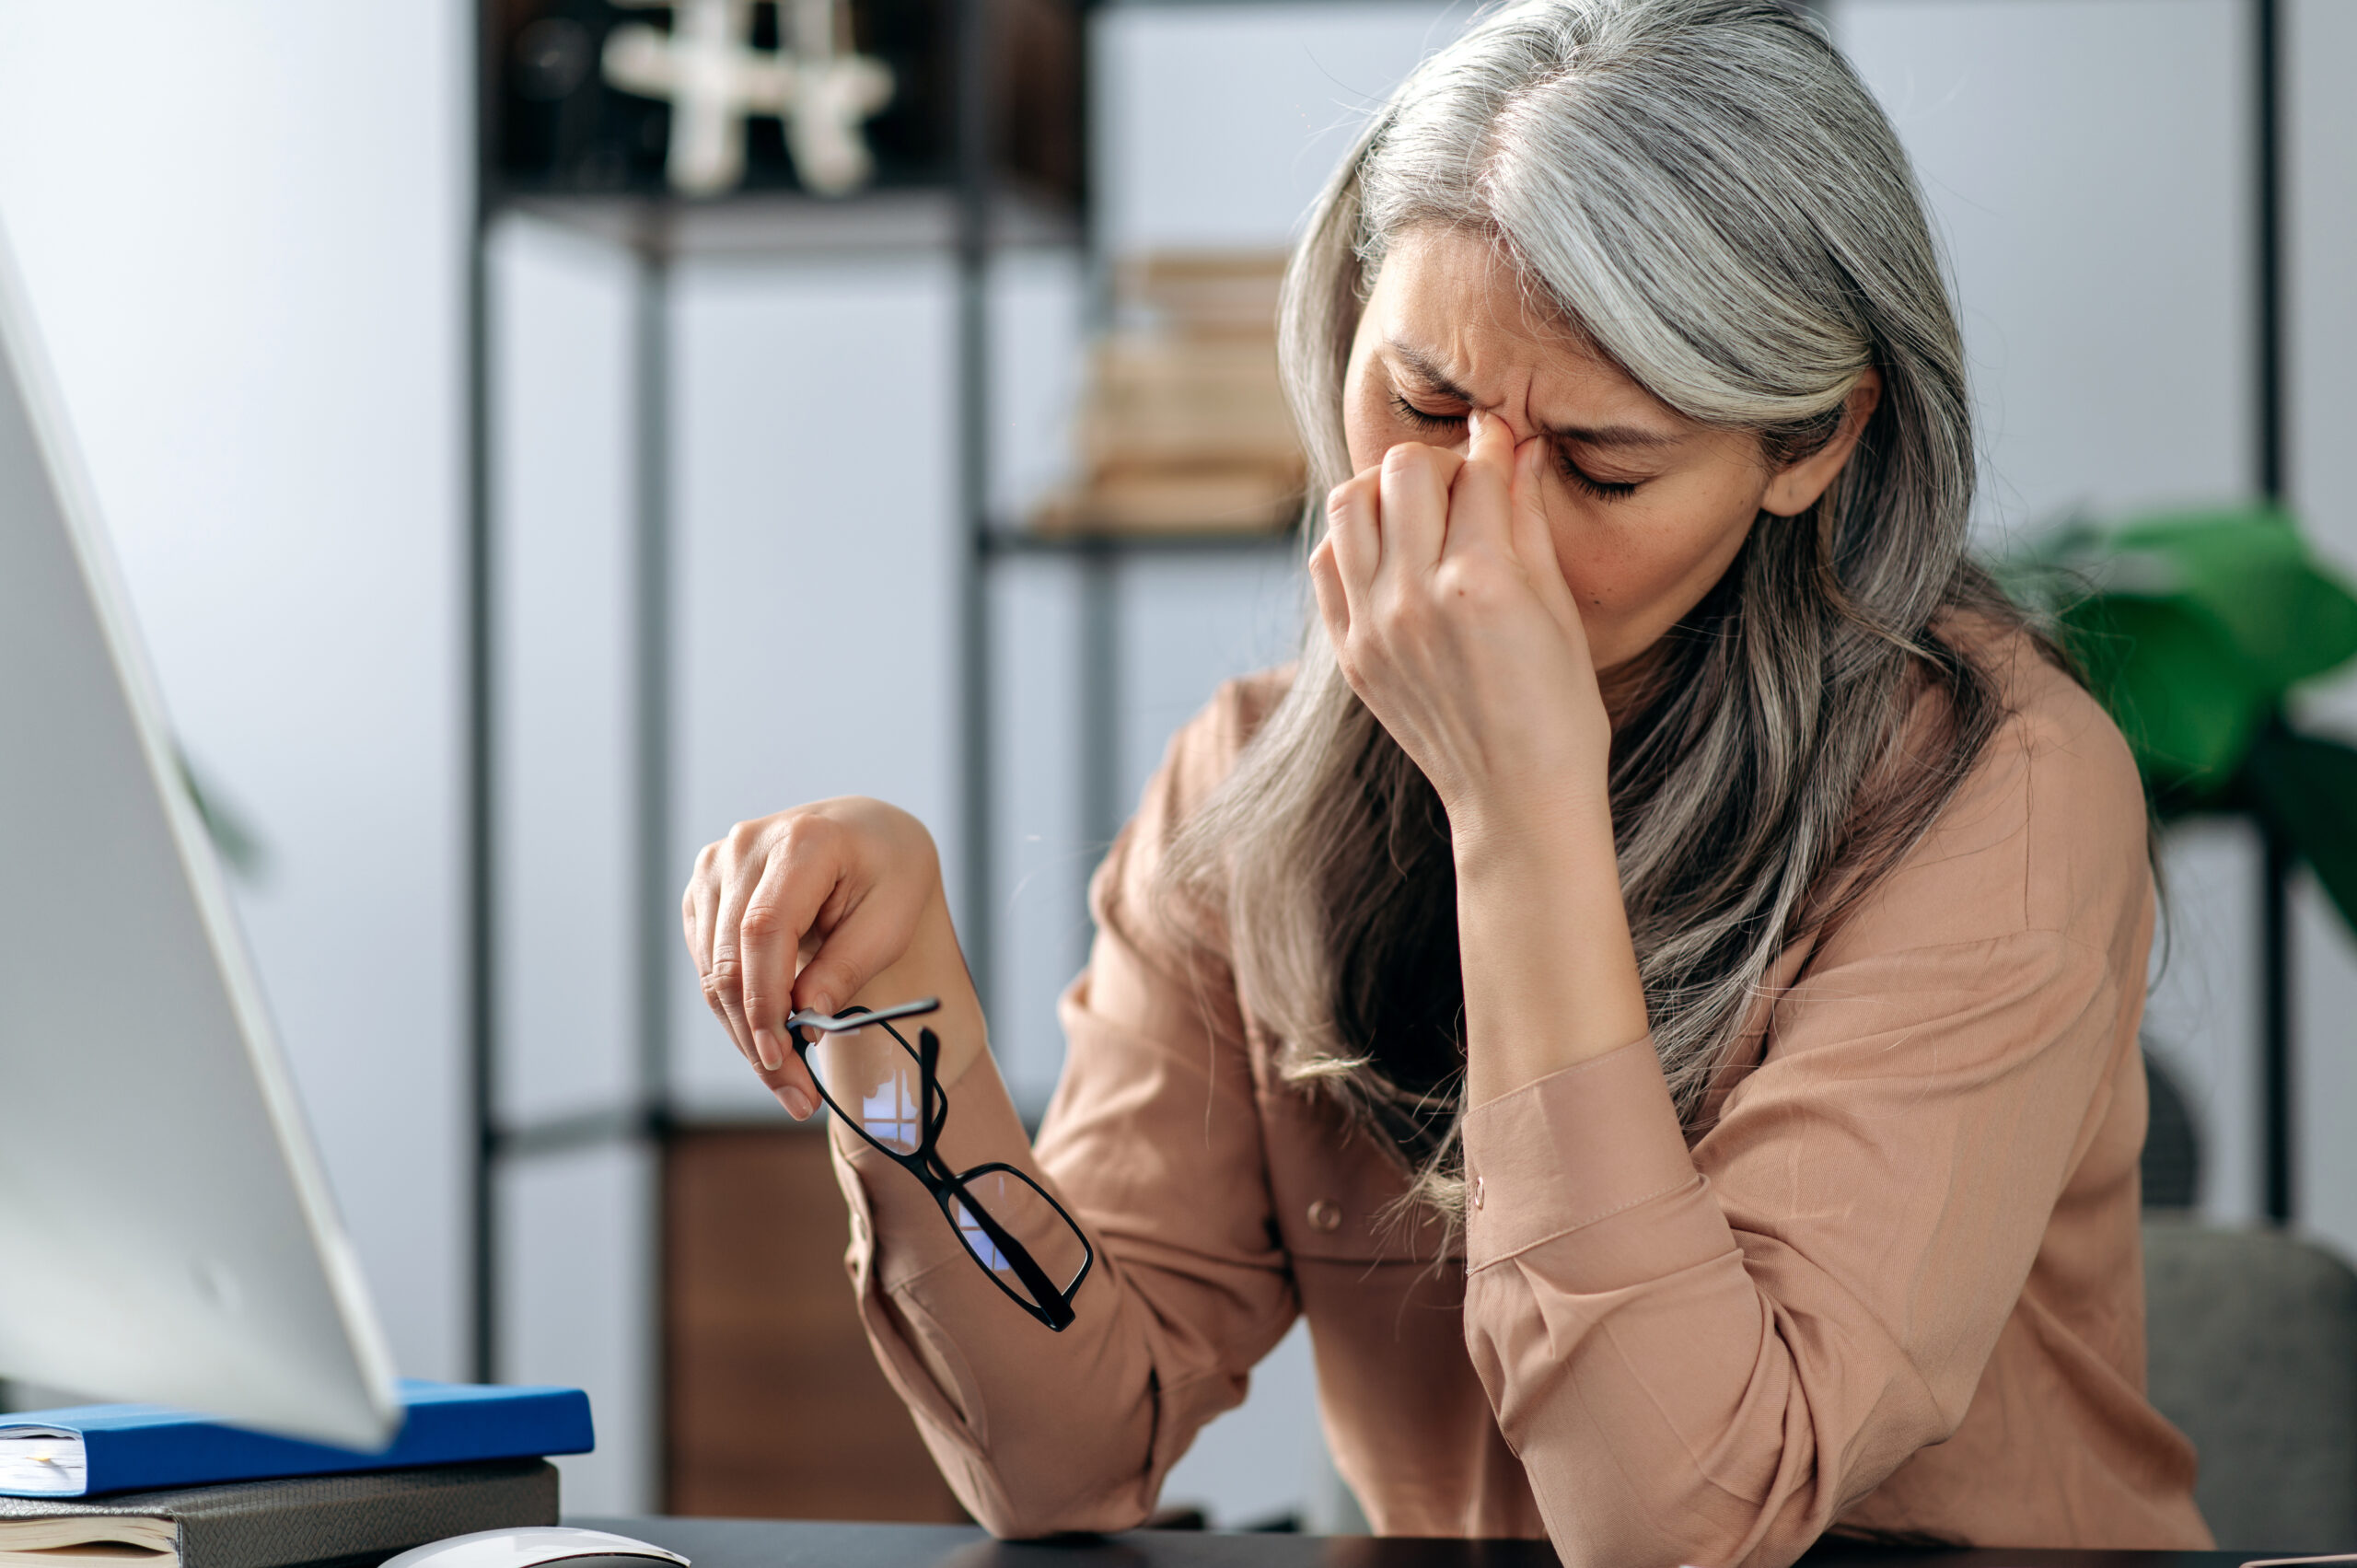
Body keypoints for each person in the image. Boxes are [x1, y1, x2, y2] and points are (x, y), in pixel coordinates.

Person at [679, 1, 2214, 1562]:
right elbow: (1065, 1457)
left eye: (1603, 466)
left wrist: (1521, 808)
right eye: (1422, 406)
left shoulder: (1999, 792)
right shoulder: (1257, 784)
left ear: (1812, 447)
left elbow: (1683, 1522)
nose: (1478, 523)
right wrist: (898, 1027)